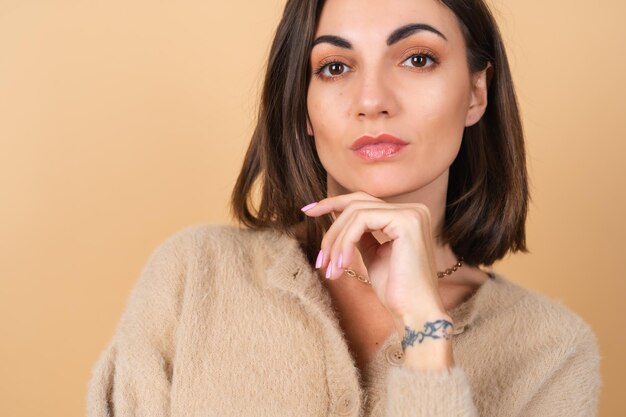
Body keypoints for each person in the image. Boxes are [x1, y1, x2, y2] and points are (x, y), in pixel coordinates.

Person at [86, 0, 601, 416]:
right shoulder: (193, 276)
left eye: (417, 59)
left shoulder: (551, 351)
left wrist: (425, 333)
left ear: (475, 91)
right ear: (303, 107)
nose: (372, 99)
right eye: (334, 67)